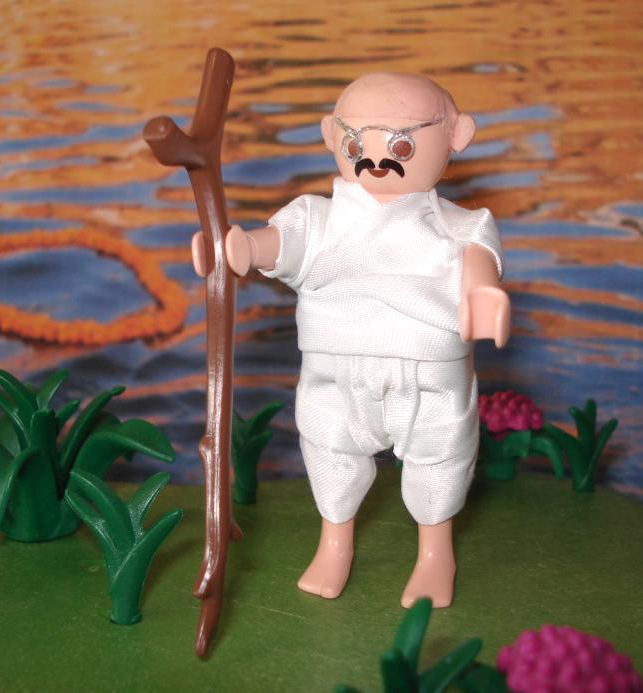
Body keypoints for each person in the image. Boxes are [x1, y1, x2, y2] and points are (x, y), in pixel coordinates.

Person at [192, 72, 510, 608]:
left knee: (440, 457)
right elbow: (281, 243)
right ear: (331, 135)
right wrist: (239, 249)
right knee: (329, 449)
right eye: (357, 143)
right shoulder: (318, 217)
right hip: (334, 369)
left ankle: (436, 553)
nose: (377, 160)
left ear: (456, 135)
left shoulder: (463, 224)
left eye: (401, 144)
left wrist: (482, 293)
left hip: (427, 371)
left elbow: (479, 262)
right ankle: (334, 543)